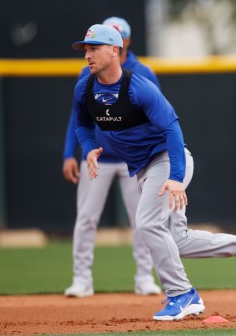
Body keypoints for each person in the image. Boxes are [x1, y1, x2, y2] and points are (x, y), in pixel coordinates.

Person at [71, 24, 236, 321]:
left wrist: (175, 177)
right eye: (85, 49)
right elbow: (81, 122)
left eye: (93, 48)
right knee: (177, 240)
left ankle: (182, 294)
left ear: (115, 50)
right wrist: (88, 146)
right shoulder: (85, 87)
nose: (87, 55)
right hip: (143, 168)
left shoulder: (137, 86)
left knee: (146, 223)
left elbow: (172, 127)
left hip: (167, 160)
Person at [63, 17, 163, 298]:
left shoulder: (143, 73)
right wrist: (69, 152)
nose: (93, 51)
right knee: (86, 218)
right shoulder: (88, 74)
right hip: (98, 157)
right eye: (94, 45)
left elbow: (160, 117)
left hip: (135, 159)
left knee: (141, 220)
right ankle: (81, 278)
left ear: (124, 43)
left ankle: (144, 277)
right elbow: (78, 117)